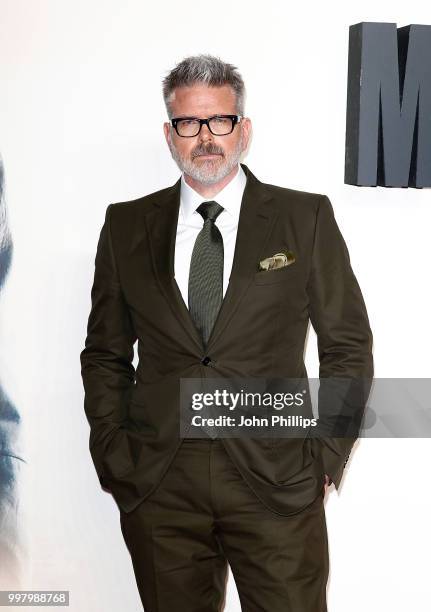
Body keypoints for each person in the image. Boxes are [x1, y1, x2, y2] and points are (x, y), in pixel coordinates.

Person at [80, 54, 373, 611]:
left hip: (276, 482)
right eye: (189, 124)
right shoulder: (125, 226)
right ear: (170, 134)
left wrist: (326, 455)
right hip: (162, 485)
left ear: (243, 130)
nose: (206, 137)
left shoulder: (303, 218)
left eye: (220, 121)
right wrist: (115, 454)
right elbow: (104, 354)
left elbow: (348, 345)